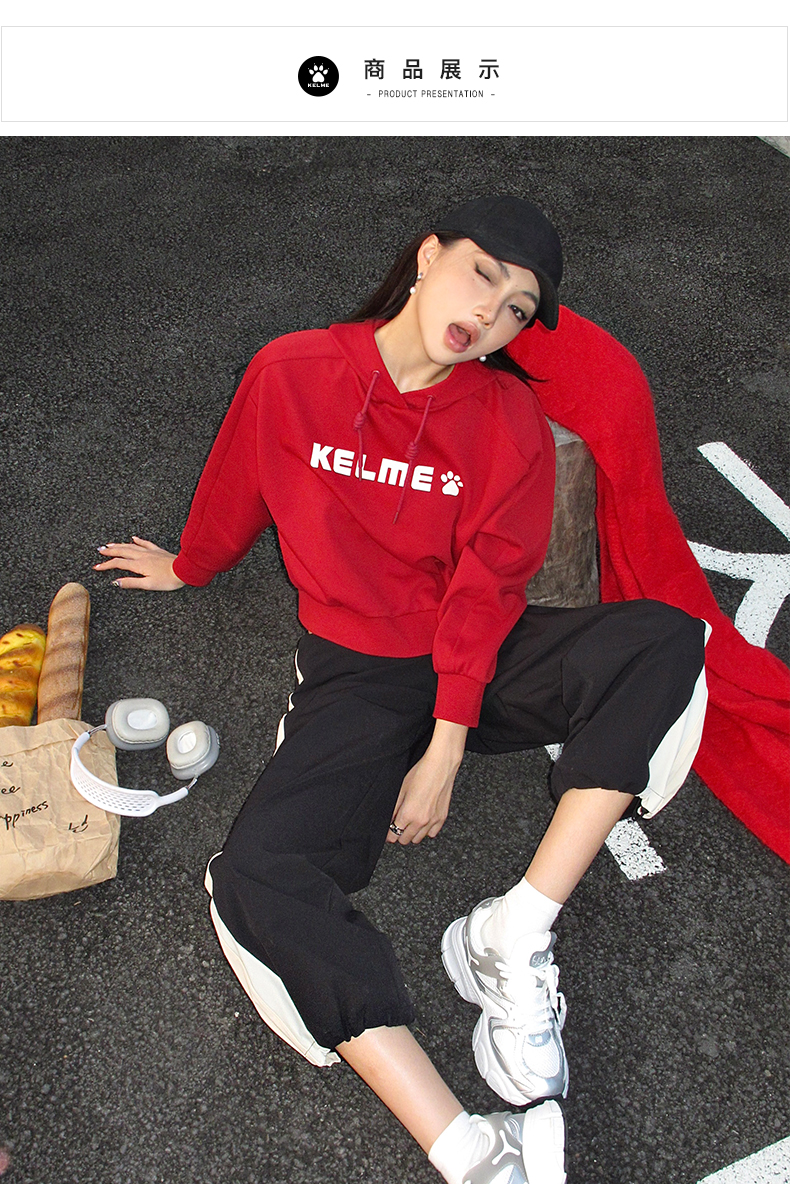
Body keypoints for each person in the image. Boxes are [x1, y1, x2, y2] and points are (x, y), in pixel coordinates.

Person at [94, 195, 708, 1184]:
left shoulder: (504, 415)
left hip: (479, 653)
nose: (490, 312)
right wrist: (193, 563)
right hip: (358, 675)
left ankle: (514, 928)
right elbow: (240, 478)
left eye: (517, 308)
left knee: (665, 641)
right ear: (427, 257)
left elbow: (489, 586)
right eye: (482, 274)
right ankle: (471, 1147)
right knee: (256, 874)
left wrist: (448, 740)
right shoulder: (291, 372)